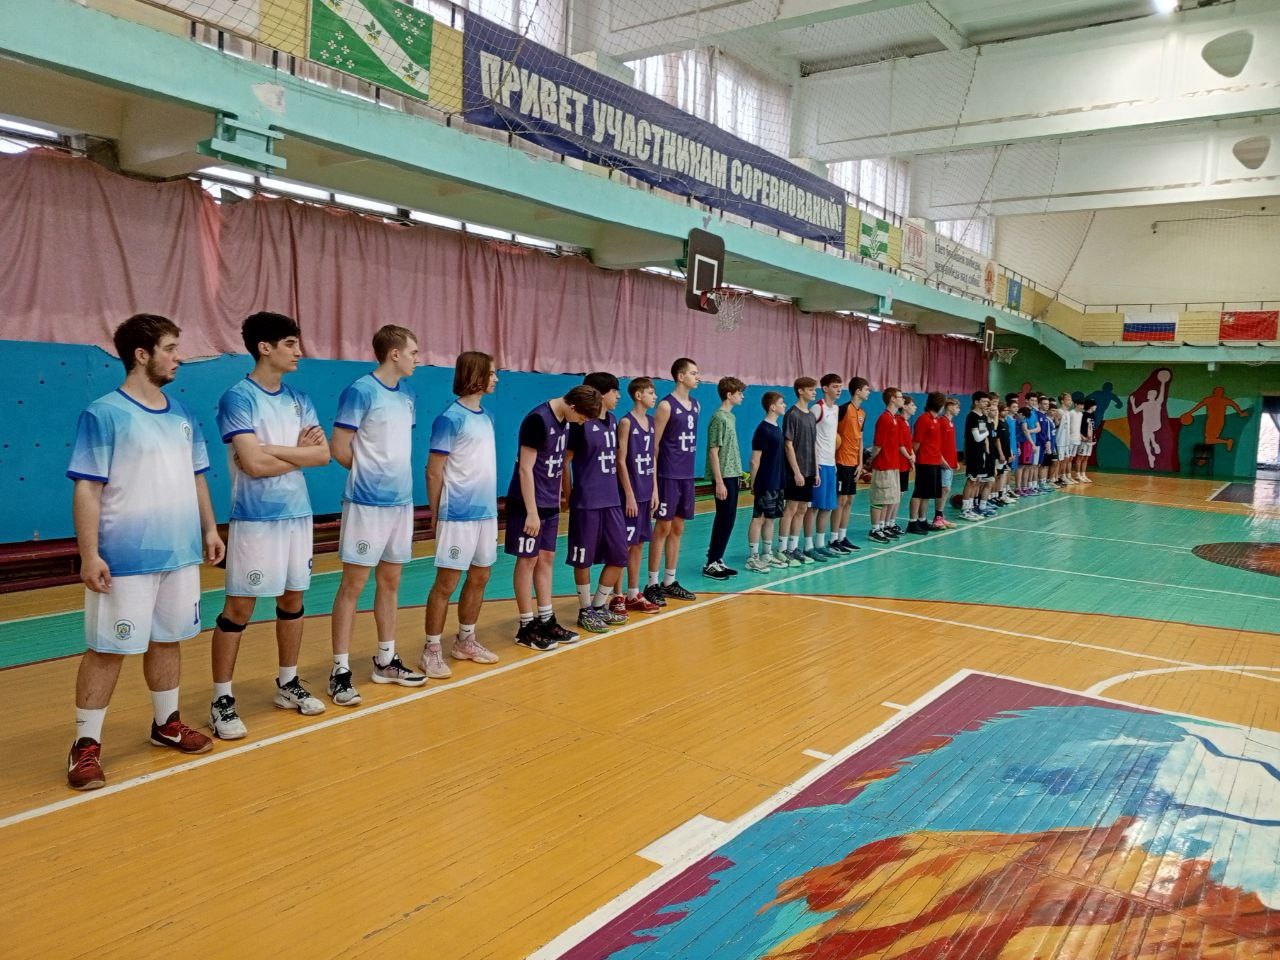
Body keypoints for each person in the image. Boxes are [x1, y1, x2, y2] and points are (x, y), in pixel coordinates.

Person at [66, 314, 223, 790]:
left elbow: (197, 477)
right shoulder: (104, 414)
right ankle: (85, 746)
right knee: (108, 649)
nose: (178, 358)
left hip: (180, 554)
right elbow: (88, 489)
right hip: (125, 559)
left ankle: (166, 724)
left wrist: (210, 529)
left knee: (168, 639)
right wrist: (89, 554)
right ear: (142, 354)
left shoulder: (183, 414)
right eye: (170, 348)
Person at [209, 312, 331, 741]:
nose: (299, 352)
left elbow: (322, 456)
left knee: (293, 599)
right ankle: (221, 699)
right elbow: (253, 465)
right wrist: (294, 453)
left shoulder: (300, 398)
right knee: (239, 609)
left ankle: (288, 682)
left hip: (298, 516)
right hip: (255, 518)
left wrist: (272, 450)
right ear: (265, 348)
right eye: (290, 344)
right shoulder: (238, 398)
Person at [326, 325, 426, 707]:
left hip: (401, 504)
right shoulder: (360, 391)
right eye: (413, 352)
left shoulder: (409, 395)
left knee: (391, 582)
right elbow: (339, 447)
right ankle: (339, 671)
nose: (417, 359)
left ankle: (385, 660)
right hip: (366, 505)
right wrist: (369, 479)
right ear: (394, 353)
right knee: (353, 585)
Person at [419, 351, 502, 678]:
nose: (496, 379)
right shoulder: (450, 419)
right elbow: (433, 471)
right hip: (456, 515)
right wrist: (437, 513)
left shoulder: (487, 416)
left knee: (481, 577)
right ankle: (431, 649)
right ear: (476, 376)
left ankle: (465, 640)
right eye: (491, 373)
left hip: (486, 514)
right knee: (447, 583)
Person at [507, 385, 601, 650]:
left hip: (549, 502)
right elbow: (525, 469)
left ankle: (546, 618)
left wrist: (560, 495)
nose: (582, 422)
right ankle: (526, 626)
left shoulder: (568, 421)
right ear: (572, 406)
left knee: (546, 559)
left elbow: (561, 461)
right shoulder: (537, 420)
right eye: (582, 417)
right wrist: (531, 512)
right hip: (528, 504)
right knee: (527, 560)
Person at [564, 372, 630, 633]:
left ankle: (599, 604)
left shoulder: (612, 420)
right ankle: (585, 610)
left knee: (619, 555)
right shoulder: (579, 424)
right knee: (583, 558)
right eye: (615, 391)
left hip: (611, 500)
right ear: (601, 394)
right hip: (587, 502)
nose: (619, 396)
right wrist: (568, 495)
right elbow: (565, 462)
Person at [645, 358, 701, 604]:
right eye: (693, 373)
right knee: (662, 528)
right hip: (668, 475)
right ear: (680, 376)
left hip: (687, 475)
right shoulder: (666, 406)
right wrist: (654, 484)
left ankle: (669, 581)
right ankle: (651, 583)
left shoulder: (696, 405)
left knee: (678, 528)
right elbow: (654, 446)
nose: (697, 377)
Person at [616, 377, 662, 613]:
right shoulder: (626, 422)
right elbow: (620, 461)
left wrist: (654, 489)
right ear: (638, 395)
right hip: (631, 495)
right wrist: (629, 494)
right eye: (651, 393)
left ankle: (633, 593)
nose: (655, 397)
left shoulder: (651, 422)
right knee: (623, 545)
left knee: (639, 544)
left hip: (646, 492)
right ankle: (617, 595)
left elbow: (652, 457)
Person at [704, 376, 746, 579]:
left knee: (729, 518)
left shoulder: (732, 417)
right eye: (739, 393)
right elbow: (713, 452)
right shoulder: (718, 418)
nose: (742, 396)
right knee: (723, 517)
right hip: (723, 476)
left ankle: (718, 558)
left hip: (733, 473)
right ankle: (711, 562)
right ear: (729, 395)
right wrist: (719, 482)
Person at [745, 392, 788, 571]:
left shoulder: (777, 427)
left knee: (771, 518)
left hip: (777, 481)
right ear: (772, 407)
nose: (784, 405)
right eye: (781, 403)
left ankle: (766, 554)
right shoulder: (763, 430)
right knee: (759, 518)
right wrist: (754, 483)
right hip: (765, 482)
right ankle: (753, 557)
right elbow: (754, 460)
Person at [781, 377, 820, 564]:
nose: (814, 392)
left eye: (814, 389)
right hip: (796, 471)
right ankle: (782, 550)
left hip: (810, 470)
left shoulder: (811, 415)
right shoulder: (792, 414)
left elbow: (813, 444)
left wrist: (816, 471)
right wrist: (796, 471)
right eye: (811, 389)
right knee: (791, 508)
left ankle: (793, 547)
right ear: (800, 391)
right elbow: (788, 445)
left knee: (803, 508)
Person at [832, 376, 870, 552]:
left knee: (849, 500)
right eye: (866, 389)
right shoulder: (842, 409)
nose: (868, 392)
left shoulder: (862, 413)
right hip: (841, 461)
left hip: (854, 463)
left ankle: (842, 536)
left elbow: (860, 439)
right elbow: (831, 434)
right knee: (841, 500)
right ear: (857, 391)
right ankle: (833, 539)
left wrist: (861, 463)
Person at [807, 374, 843, 559]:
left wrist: (834, 461)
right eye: (835, 386)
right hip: (818, 464)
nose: (839, 389)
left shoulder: (836, 409)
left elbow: (831, 438)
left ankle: (820, 544)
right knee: (813, 507)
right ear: (825, 388)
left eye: (840, 386)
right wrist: (813, 465)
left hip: (830, 464)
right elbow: (809, 437)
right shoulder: (817, 408)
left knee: (827, 507)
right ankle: (808, 545)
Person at [867, 387, 904, 543]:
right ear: (892, 399)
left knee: (889, 498)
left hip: (893, 464)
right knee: (879, 498)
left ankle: (882, 526)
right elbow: (878, 445)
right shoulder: (884, 418)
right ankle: (875, 529)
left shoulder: (894, 418)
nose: (903, 399)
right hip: (883, 465)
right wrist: (870, 460)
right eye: (900, 397)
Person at [908, 393, 946, 534]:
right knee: (919, 492)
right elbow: (916, 443)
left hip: (934, 462)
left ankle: (922, 520)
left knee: (927, 494)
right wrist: (917, 458)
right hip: (925, 462)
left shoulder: (936, 420)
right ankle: (912, 522)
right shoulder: (923, 419)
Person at [959, 390, 992, 521]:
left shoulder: (982, 417)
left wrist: (985, 433)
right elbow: (978, 437)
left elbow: (983, 435)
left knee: (977, 481)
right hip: (973, 452)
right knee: (971, 480)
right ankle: (964, 510)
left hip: (981, 452)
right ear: (976, 402)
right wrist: (987, 432)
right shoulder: (972, 416)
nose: (986, 404)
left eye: (987, 402)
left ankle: (971, 507)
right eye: (983, 401)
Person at [934, 397, 960, 529]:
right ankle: (937, 517)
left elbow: (951, 445)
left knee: (946, 489)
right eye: (956, 406)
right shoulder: (941, 422)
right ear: (949, 407)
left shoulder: (951, 423)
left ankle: (940, 516)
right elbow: (936, 443)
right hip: (943, 462)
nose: (958, 409)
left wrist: (955, 460)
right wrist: (941, 459)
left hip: (950, 462)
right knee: (944, 489)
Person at [893, 396, 917, 533]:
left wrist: (912, 455)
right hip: (899, 463)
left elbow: (908, 444)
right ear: (905, 407)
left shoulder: (907, 423)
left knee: (900, 494)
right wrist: (909, 457)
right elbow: (899, 444)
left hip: (905, 463)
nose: (915, 407)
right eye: (912, 405)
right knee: (895, 495)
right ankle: (888, 523)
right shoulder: (898, 421)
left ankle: (892, 522)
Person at [1077, 398, 1097, 482]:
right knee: (1080, 457)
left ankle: (1083, 474)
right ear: (1091, 406)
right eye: (1095, 405)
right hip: (1083, 439)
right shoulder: (1083, 415)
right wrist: (1082, 436)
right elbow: (1078, 427)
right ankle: (1078, 474)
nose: (1096, 407)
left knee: (1086, 457)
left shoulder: (1093, 415)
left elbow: (1092, 427)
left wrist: (1093, 437)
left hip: (1090, 440)